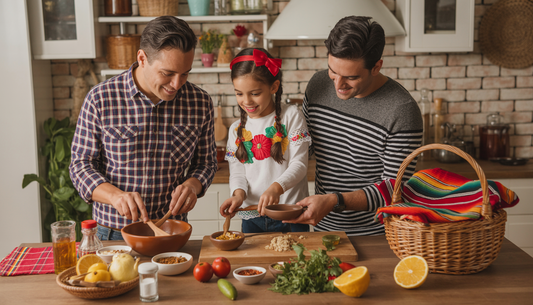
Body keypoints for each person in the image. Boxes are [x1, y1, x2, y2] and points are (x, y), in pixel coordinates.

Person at [69, 16, 217, 240]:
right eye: (167, 73)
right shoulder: (100, 98)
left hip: (172, 230)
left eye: (185, 73)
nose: (177, 84)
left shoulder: (200, 102)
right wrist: (115, 196)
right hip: (114, 234)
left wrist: (192, 186)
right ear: (142, 58)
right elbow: (80, 166)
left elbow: (206, 162)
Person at [284, 16, 423, 235]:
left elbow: (393, 190)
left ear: (376, 66)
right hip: (322, 231)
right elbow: (305, 148)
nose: (338, 85)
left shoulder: (401, 110)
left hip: (377, 237)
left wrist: (334, 201)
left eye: (350, 77)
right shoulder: (318, 84)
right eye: (333, 71)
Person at [220, 48, 312, 233]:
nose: (246, 101)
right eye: (239, 93)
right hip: (251, 218)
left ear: (274, 87)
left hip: (290, 215)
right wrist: (238, 195)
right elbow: (237, 171)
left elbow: (300, 165)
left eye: (254, 93)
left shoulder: (291, 116)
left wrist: (276, 189)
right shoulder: (236, 129)